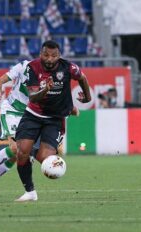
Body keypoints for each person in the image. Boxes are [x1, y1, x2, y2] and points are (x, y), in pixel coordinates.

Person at [0, 60, 79, 196]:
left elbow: (55, 99)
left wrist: (70, 108)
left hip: (30, 115)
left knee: (17, 155)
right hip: (12, 110)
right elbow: (0, 81)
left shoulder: (53, 77)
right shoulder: (24, 66)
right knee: (14, 148)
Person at [15, 40, 91, 202]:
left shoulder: (68, 67)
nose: (49, 59)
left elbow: (82, 78)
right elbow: (32, 96)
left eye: (53, 56)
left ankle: (35, 150)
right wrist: (45, 90)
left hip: (55, 119)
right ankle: (30, 192)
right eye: (46, 55)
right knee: (21, 153)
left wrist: (87, 97)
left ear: (59, 56)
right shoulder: (32, 67)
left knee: (46, 160)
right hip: (33, 115)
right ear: (40, 54)